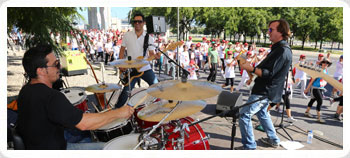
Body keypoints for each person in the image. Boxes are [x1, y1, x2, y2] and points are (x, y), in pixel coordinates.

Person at [17, 45, 134, 150]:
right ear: (41, 71)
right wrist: (118, 113)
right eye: (56, 64)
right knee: (108, 148)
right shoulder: (51, 97)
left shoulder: (25, 91)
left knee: (85, 137)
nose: (60, 66)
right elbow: (84, 124)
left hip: (37, 146)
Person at [238, 19, 292, 150]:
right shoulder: (278, 48)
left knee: (244, 115)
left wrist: (250, 68)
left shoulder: (282, 50)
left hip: (264, 91)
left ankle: (249, 147)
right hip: (266, 89)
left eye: (270, 30)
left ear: (281, 32)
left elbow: (270, 73)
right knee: (263, 113)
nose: (268, 33)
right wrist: (251, 71)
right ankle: (273, 139)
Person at [113, 13, 159, 108]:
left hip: (145, 68)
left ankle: (158, 108)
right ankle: (116, 110)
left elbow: (151, 54)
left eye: (139, 21)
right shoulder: (127, 35)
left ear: (144, 23)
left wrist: (156, 56)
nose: (137, 23)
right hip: (131, 69)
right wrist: (121, 66)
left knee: (156, 87)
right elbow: (122, 50)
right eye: (135, 21)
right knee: (126, 92)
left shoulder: (149, 38)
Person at [304, 59, 332, 124]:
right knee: (320, 101)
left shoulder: (326, 70)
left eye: (327, 63)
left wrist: (328, 58)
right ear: (321, 63)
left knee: (313, 100)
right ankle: (319, 118)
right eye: (324, 63)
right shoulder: (318, 71)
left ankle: (307, 112)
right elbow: (312, 80)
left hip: (321, 88)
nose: (325, 64)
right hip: (315, 88)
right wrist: (307, 89)